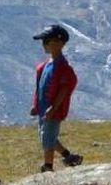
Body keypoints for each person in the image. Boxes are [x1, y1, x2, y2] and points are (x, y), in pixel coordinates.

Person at [30, 24, 83, 171]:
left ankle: (48, 167)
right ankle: (69, 156)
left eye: (47, 41)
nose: (44, 44)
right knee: (45, 136)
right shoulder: (45, 66)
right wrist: (36, 105)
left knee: (48, 138)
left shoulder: (63, 68)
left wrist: (53, 108)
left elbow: (65, 89)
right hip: (43, 108)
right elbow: (39, 86)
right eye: (43, 41)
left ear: (60, 43)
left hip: (53, 110)